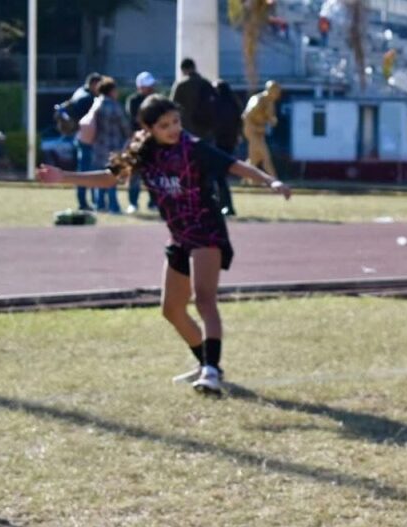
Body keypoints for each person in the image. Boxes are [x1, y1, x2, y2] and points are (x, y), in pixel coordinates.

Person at [35, 96, 293, 394]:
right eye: (164, 125)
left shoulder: (193, 148)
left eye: (175, 122)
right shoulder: (142, 151)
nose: (173, 129)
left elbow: (234, 165)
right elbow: (109, 178)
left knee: (204, 299)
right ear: (148, 128)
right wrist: (64, 176)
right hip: (179, 237)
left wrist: (270, 181)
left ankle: (211, 372)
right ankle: (206, 364)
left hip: (207, 232)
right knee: (171, 309)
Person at [56, 72, 102, 211]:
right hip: (88, 139)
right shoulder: (88, 99)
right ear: (93, 84)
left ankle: (87, 201)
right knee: (89, 172)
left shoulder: (79, 92)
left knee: (84, 171)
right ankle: (89, 202)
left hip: (79, 137)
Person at [89, 76, 131, 214]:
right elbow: (125, 126)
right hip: (113, 146)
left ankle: (99, 204)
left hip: (98, 146)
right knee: (112, 176)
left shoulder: (96, 104)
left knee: (99, 176)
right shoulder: (114, 106)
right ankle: (114, 206)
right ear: (111, 90)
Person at [126, 71, 158, 213]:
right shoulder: (133, 100)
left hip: (155, 141)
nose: (151, 88)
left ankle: (154, 202)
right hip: (138, 140)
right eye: (147, 86)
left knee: (154, 173)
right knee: (135, 173)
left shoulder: (156, 100)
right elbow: (137, 119)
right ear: (140, 87)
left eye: (151, 85)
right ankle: (133, 203)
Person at [212, 80, 244, 216]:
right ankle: (224, 204)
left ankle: (224, 205)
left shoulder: (216, 105)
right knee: (221, 176)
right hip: (230, 144)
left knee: (218, 176)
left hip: (218, 143)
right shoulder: (234, 104)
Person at [243, 81, 282, 184]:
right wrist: (255, 128)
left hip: (259, 131)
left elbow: (270, 117)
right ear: (271, 90)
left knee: (255, 157)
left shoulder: (270, 102)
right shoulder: (258, 99)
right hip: (252, 131)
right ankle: (275, 180)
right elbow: (246, 116)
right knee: (265, 155)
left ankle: (246, 179)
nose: (278, 94)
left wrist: (272, 120)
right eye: (276, 91)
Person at [171, 58, 217, 143]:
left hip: (187, 128)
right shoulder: (206, 83)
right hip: (205, 128)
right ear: (194, 67)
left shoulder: (180, 85)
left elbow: (172, 106)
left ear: (183, 70)